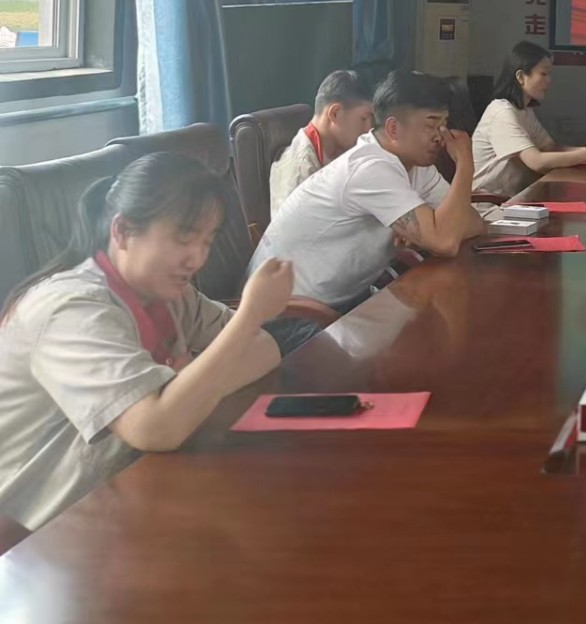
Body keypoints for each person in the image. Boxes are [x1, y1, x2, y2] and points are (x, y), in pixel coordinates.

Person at [0, 154, 292, 543]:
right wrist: (248, 316)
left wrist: (182, 386)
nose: (198, 258)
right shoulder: (71, 310)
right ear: (122, 231)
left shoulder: (168, 294)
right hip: (38, 537)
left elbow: (266, 347)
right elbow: (155, 427)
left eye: (207, 241)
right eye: (184, 237)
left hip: (130, 495)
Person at [249, 71, 483, 337]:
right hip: (281, 316)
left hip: (343, 303)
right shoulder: (370, 168)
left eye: (444, 124)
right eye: (431, 125)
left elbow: (473, 223)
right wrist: (465, 164)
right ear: (393, 129)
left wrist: (433, 229)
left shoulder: (417, 166)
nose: (441, 136)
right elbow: (446, 241)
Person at [472, 42, 586, 197]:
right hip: (489, 204)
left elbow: (549, 148)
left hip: (515, 199)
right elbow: (537, 161)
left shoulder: (524, 110)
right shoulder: (502, 112)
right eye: (543, 74)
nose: (549, 80)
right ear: (521, 77)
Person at [269, 70, 375, 215]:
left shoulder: (340, 149)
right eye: (364, 118)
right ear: (335, 113)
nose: (369, 129)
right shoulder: (299, 170)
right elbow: (289, 229)